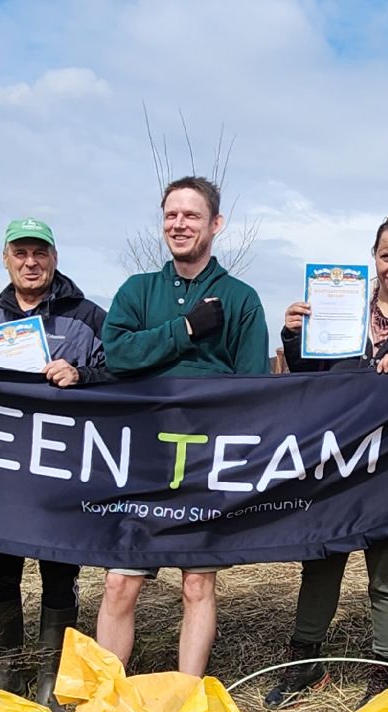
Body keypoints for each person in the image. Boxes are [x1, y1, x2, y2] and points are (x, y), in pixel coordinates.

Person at [264, 211, 388, 709]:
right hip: (335, 461)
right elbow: (313, 373)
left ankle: (386, 673)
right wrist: (295, 335)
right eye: (385, 256)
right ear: (373, 257)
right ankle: (303, 663)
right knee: (321, 560)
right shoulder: (344, 305)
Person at [98, 176, 269, 676]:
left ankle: (186, 697)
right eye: (171, 215)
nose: (179, 224)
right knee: (119, 583)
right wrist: (186, 329)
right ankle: (105, 699)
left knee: (197, 584)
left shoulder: (241, 299)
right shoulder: (138, 290)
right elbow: (118, 355)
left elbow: (253, 385)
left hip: (203, 460)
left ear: (215, 224)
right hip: (142, 457)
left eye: (191, 215)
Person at [0, 217, 109, 708]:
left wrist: (82, 373)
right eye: (20, 252)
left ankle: (51, 680)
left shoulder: (88, 317)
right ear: (5, 258)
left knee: (60, 572)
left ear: (54, 258)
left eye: (40, 252)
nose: (30, 262)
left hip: (62, 468)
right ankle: (4, 675)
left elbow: (117, 376)